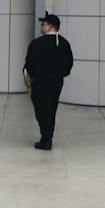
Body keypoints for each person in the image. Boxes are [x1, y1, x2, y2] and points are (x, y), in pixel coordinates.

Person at [23, 13, 74, 151]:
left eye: (43, 24)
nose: (41, 26)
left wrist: (29, 76)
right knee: (51, 107)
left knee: (40, 108)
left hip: (40, 81)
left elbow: (29, 62)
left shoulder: (37, 43)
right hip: (57, 81)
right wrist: (61, 73)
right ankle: (48, 135)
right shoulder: (64, 43)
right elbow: (69, 63)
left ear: (51, 26)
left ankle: (46, 138)